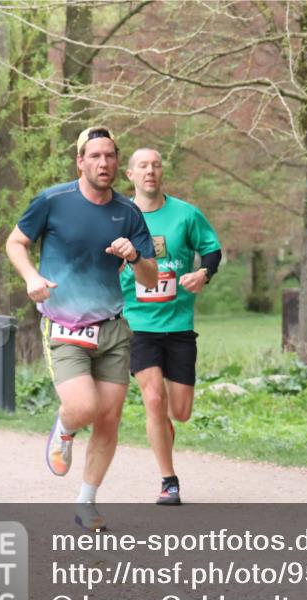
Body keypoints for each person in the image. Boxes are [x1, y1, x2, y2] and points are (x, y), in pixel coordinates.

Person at [5, 127, 157, 531]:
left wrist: (134, 255)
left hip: (111, 328)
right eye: (94, 156)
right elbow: (15, 243)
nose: (103, 163)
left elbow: (150, 277)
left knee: (108, 418)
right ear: (80, 161)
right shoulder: (53, 201)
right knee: (83, 408)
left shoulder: (128, 212)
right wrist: (30, 278)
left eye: (109, 156)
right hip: (65, 324)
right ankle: (65, 426)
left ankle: (86, 502)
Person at [122, 148, 222, 505]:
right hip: (138, 324)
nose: (150, 171)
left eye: (156, 165)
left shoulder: (186, 214)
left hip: (179, 324)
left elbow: (212, 249)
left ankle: (160, 426)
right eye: (142, 166)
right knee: (153, 398)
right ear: (130, 174)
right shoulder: (118, 216)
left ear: (162, 172)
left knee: (179, 412)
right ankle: (169, 481)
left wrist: (203, 273)